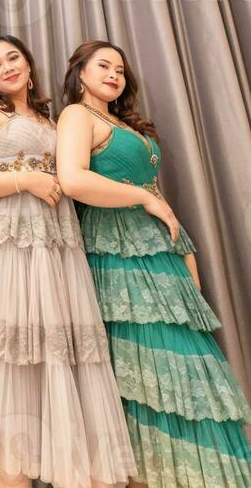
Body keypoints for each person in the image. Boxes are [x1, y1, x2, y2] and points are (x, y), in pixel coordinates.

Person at [57, 40, 251, 488]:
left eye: (120, 69)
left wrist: (184, 258)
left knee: (184, 375)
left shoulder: (123, 122)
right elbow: (73, 179)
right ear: (80, 74)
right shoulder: (76, 116)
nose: (114, 74)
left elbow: (160, 203)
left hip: (161, 258)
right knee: (140, 376)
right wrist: (144, 196)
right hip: (118, 256)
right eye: (103, 65)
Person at [0, 34, 136, 488]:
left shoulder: (55, 119)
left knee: (59, 358)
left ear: (30, 65)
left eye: (14, 57)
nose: (7, 67)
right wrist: (25, 180)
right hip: (3, 249)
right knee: (9, 365)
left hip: (55, 248)